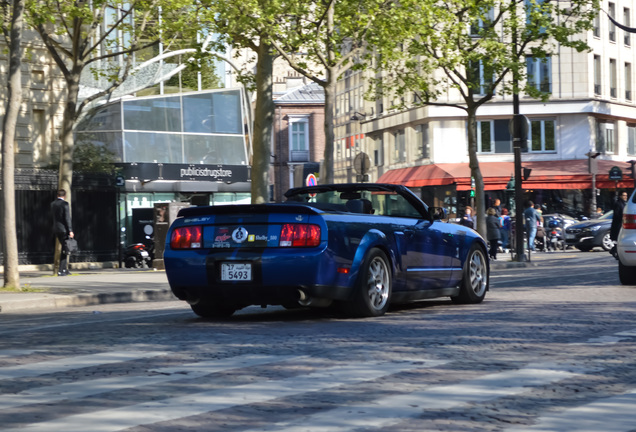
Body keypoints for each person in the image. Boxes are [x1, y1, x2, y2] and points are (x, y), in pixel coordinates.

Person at [51, 189, 74, 276]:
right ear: (64, 196)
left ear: (57, 195)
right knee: (65, 249)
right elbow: (67, 218)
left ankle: (65, 269)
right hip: (64, 229)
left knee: (65, 248)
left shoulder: (52, 204)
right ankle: (61, 270)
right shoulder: (65, 204)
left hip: (56, 229)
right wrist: (70, 230)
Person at [610, 191, 629, 257]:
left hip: (621, 224)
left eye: (626, 195)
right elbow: (617, 214)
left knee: (620, 239)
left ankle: (615, 250)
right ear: (620, 196)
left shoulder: (624, 203)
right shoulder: (619, 203)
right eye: (624, 195)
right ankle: (615, 250)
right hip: (618, 225)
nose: (625, 197)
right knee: (619, 239)